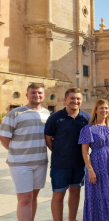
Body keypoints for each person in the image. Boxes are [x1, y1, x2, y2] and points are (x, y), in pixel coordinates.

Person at [0, 83, 50, 221]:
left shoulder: (47, 114)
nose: (37, 95)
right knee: (25, 198)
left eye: (39, 93)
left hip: (40, 162)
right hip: (20, 164)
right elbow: (3, 136)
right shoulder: (15, 113)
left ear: (44, 95)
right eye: (33, 92)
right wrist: (15, 152)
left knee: (33, 197)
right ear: (27, 95)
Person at [44, 88, 90, 221]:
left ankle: (72, 219)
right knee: (58, 195)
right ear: (65, 100)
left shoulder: (86, 118)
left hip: (79, 164)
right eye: (72, 98)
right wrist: (60, 151)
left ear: (81, 101)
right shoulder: (55, 118)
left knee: (75, 193)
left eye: (78, 99)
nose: (75, 101)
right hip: (60, 164)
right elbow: (48, 139)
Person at [79, 99, 109, 221]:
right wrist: (90, 170)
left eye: (106, 108)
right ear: (96, 110)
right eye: (102, 108)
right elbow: (85, 152)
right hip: (97, 164)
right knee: (99, 193)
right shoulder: (88, 129)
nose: (104, 110)